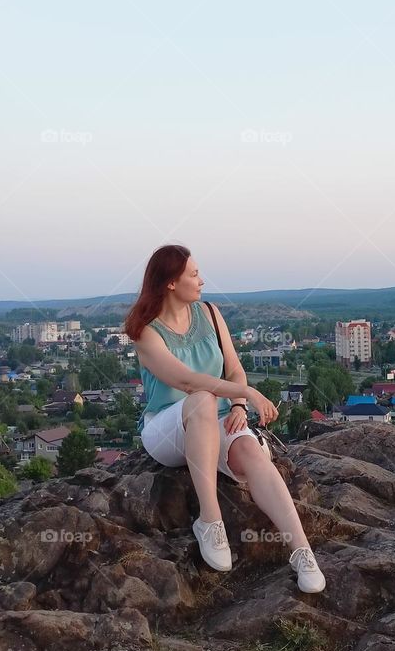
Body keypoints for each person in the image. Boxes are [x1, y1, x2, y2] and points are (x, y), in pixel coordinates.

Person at [124, 244, 325, 593]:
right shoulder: (146, 330)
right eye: (194, 274)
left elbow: (234, 370)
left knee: (251, 453)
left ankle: (302, 552)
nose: (202, 280)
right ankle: (210, 520)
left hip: (216, 421)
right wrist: (246, 395)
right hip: (167, 429)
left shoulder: (211, 314)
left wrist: (236, 407)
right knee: (201, 399)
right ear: (171, 282)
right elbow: (185, 382)